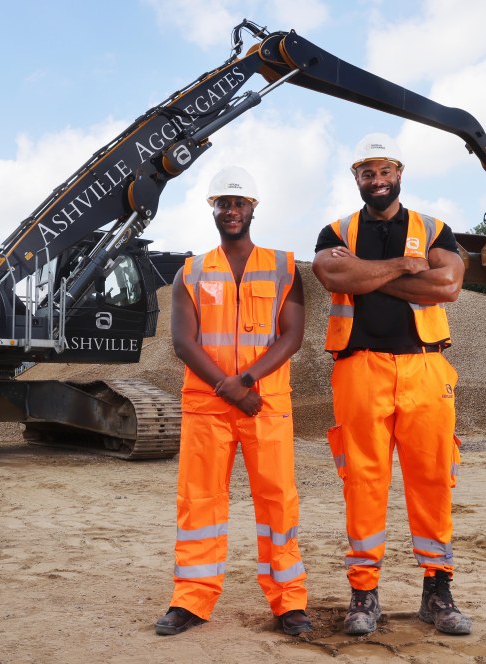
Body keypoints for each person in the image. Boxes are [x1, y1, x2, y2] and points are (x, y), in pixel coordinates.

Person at [311, 133, 472, 636]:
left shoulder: (434, 228)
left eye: (384, 172)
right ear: (356, 177)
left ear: (399, 172)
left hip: (425, 369)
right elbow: (333, 278)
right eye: (367, 173)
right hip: (359, 369)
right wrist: (404, 266)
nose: (376, 181)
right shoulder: (333, 230)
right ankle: (363, 593)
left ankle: (437, 590)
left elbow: (448, 286)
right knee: (363, 481)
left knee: (432, 478)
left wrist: (365, 273)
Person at [155, 166, 311, 637]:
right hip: (207, 406)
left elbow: (293, 335)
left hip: (265, 402)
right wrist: (228, 388)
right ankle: (191, 600)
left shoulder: (285, 266)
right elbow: (184, 342)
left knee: (278, 501)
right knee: (199, 503)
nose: (231, 210)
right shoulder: (193, 270)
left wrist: (245, 381)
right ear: (213, 209)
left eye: (239, 202)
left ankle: (288, 603)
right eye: (223, 202)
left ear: (253, 208)